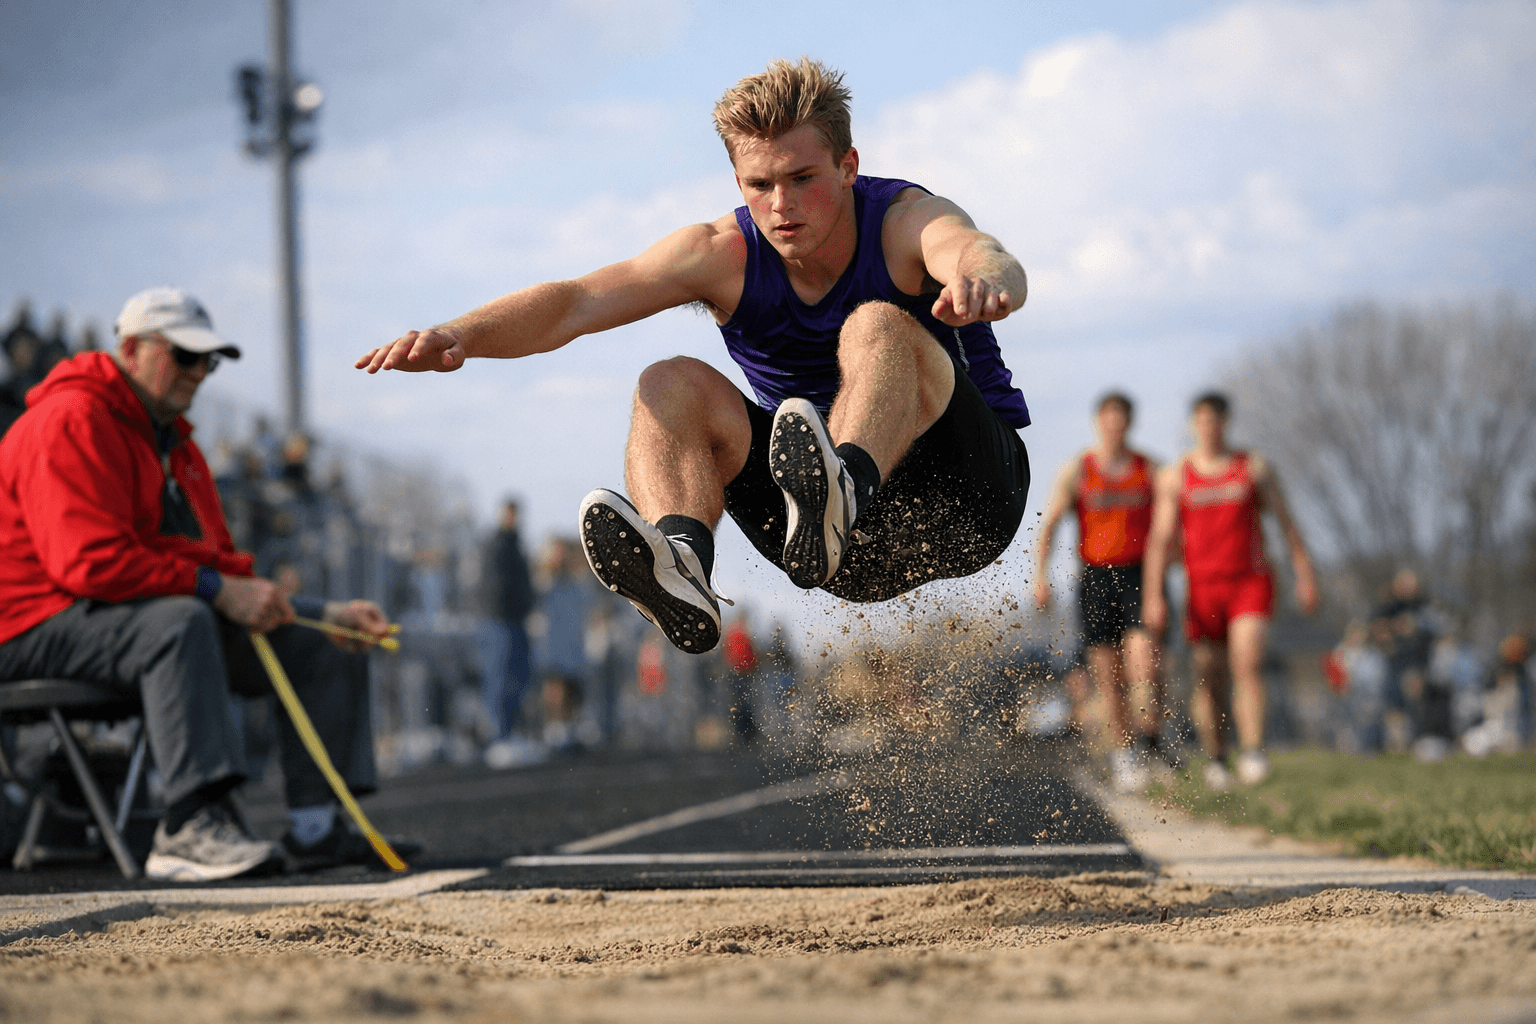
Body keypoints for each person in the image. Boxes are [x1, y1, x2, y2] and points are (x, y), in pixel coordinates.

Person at [357, 58, 1032, 653]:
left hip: (969, 496)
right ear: (737, 179)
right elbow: (577, 301)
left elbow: (975, 249)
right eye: (759, 184)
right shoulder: (720, 255)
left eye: (802, 178)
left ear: (848, 167)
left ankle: (843, 486)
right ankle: (682, 562)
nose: (781, 205)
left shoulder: (902, 220)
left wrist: (986, 280)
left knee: (878, 326)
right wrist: (461, 335)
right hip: (829, 551)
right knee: (668, 382)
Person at [0, 287, 399, 881]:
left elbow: (220, 566)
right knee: (179, 623)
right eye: (184, 356)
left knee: (323, 642)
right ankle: (187, 826)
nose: (199, 373)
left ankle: (317, 829)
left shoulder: (174, 442)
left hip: (113, 612)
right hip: (31, 623)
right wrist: (214, 590)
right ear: (130, 350)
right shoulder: (71, 419)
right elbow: (87, 565)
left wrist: (320, 611)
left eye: (208, 361)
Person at [1142, 392, 1318, 790]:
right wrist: (1154, 595)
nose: (1208, 427)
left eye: (1215, 420)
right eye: (1201, 420)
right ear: (1193, 425)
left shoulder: (1253, 468)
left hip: (1249, 582)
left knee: (1247, 662)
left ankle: (1253, 749)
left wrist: (1305, 574)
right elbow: (1159, 540)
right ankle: (1217, 756)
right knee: (1210, 676)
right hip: (1202, 586)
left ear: (1225, 423)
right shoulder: (1176, 475)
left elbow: (1288, 527)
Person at [1033, 392, 1166, 791]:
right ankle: (1125, 755)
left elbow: (1170, 524)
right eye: (1108, 418)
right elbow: (1051, 524)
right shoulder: (1078, 469)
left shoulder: (1150, 469)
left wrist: (1171, 566)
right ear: (1098, 422)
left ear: (1129, 423)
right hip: (1094, 577)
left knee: (1146, 665)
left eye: (1121, 418)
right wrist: (1041, 576)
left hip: (1139, 575)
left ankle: (1152, 743)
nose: (1115, 425)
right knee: (1109, 677)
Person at [479, 499, 540, 768]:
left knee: (518, 679)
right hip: (499, 622)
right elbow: (496, 588)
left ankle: (509, 735)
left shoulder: (516, 545)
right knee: (500, 680)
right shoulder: (497, 546)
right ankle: (498, 738)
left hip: (516, 622)